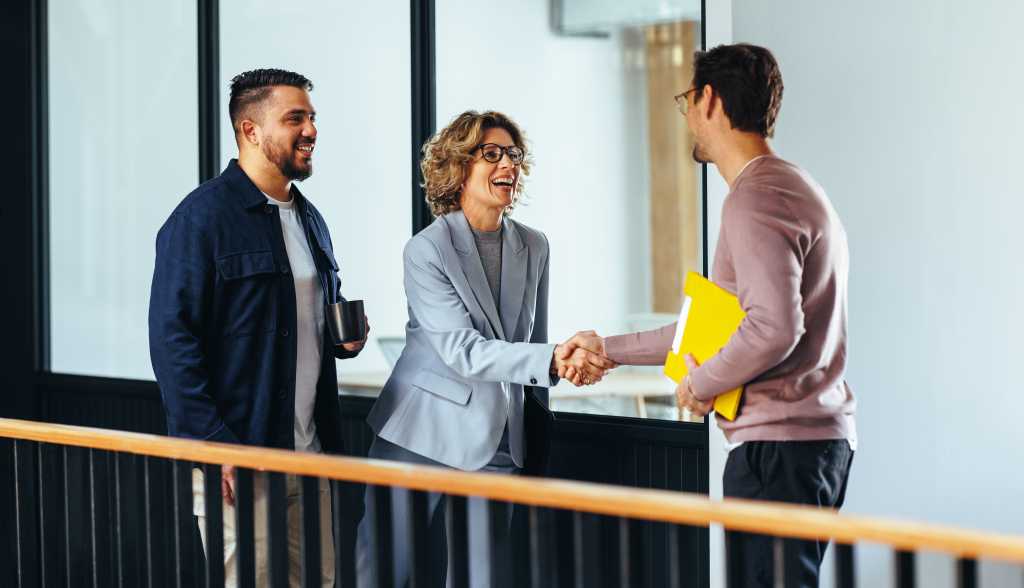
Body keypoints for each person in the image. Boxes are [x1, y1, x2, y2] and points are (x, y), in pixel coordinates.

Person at [562, 44, 856, 587]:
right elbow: (712, 329)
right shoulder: (788, 187)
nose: (689, 118)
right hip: (803, 447)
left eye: (687, 101)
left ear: (711, 101)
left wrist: (700, 382)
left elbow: (774, 326)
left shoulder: (755, 199)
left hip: (779, 451)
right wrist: (609, 348)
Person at [357, 110, 613, 587]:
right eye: (491, 154)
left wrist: (563, 365)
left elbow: (536, 341)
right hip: (419, 432)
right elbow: (462, 349)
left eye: (514, 155)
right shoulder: (426, 250)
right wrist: (555, 358)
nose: (508, 166)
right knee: (385, 573)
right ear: (458, 167)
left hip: (498, 436)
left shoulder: (535, 246)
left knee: (485, 577)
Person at [148, 68, 367, 587]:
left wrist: (345, 340)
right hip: (242, 461)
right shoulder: (200, 219)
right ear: (250, 130)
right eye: (296, 118)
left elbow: (304, 324)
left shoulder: (311, 219)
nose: (311, 130)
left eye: (312, 118)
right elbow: (171, 339)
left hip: (312, 456)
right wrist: (212, 443)